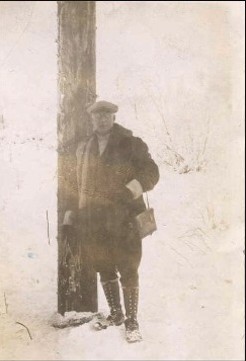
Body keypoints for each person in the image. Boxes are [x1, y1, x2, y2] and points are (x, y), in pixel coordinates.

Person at [64, 100, 159, 343]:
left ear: (114, 118)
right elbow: (75, 183)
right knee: (103, 264)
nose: (102, 120)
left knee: (128, 267)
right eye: (98, 116)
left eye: (107, 115)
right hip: (94, 219)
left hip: (124, 218)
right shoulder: (84, 147)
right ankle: (116, 314)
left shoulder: (131, 143)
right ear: (92, 119)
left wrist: (131, 189)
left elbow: (151, 171)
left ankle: (132, 320)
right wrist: (72, 212)